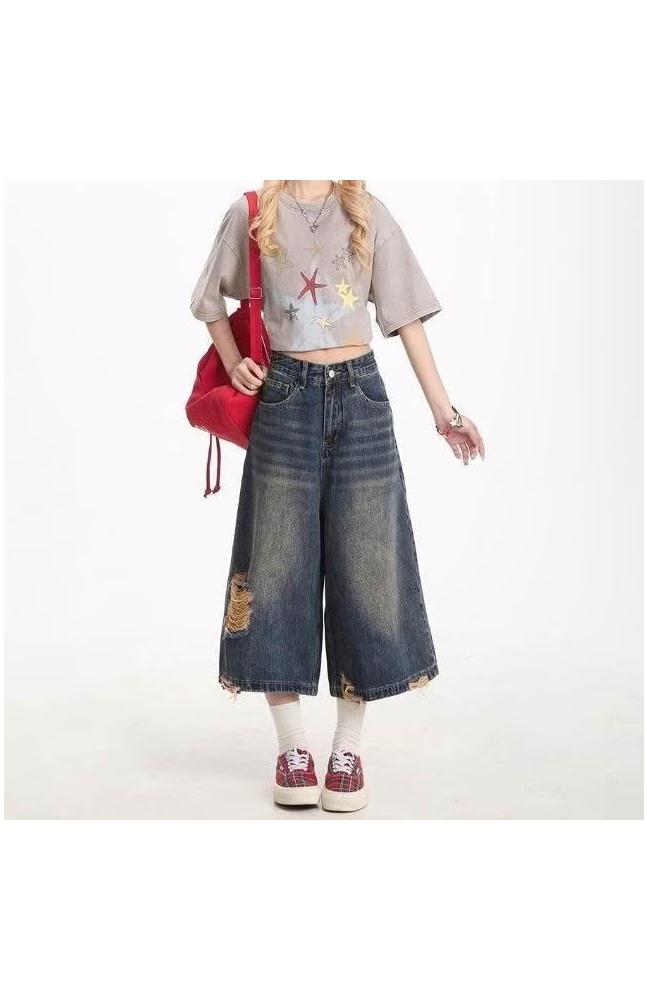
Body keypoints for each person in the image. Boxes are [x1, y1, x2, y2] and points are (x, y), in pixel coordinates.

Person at [191, 180, 483, 812]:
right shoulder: (254, 213)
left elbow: (405, 318)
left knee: (367, 569)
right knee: (276, 569)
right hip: (285, 399)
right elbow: (208, 299)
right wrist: (234, 359)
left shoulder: (366, 212)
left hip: (362, 398)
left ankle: (348, 747)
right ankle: (292, 748)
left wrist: (444, 411)